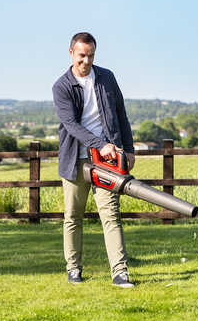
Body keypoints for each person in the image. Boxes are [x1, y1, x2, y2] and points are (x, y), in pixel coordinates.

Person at [52, 32, 136, 288]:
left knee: (111, 215)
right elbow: (71, 125)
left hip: (106, 161)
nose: (86, 61)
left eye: (90, 56)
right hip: (75, 160)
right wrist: (101, 144)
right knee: (73, 217)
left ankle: (120, 273)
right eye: (81, 56)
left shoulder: (107, 78)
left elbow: (121, 113)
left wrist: (129, 148)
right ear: (71, 53)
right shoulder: (61, 86)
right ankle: (74, 269)